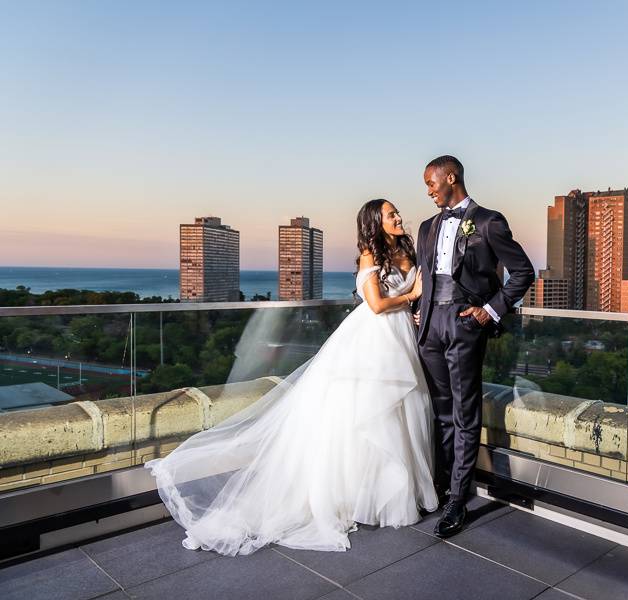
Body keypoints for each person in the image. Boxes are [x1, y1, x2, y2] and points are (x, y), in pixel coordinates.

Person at [146, 199, 437, 556]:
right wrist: (412, 295)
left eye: (396, 212)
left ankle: (384, 494)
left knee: (402, 411)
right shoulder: (368, 254)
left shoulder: (406, 248)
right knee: (368, 415)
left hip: (400, 335)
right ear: (376, 221)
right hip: (374, 339)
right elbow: (376, 305)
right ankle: (362, 497)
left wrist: (415, 309)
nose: (398, 217)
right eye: (391, 214)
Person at [415, 155, 534, 538]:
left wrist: (489, 311)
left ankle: (457, 499)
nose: (429, 191)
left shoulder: (488, 222)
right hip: (431, 326)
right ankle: (440, 485)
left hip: (466, 324)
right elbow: (426, 277)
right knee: (441, 411)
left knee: (466, 412)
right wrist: (420, 310)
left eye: (432, 183)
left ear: (451, 177)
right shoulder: (426, 227)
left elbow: (523, 272)